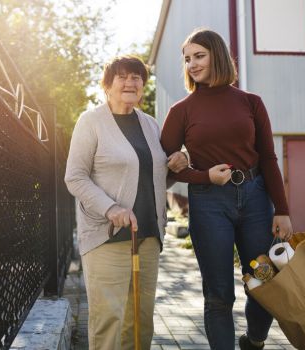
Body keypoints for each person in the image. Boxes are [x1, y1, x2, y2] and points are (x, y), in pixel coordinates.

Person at [160, 28, 293, 350]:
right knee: (218, 294)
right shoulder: (181, 110)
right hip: (209, 206)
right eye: (187, 59)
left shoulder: (251, 102)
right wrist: (202, 176)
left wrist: (283, 209)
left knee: (264, 284)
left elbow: (270, 157)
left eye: (199, 56)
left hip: (256, 200)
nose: (191, 64)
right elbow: (163, 167)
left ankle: (255, 341)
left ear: (217, 55)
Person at [65, 55, 187, 350]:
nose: (131, 82)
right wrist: (111, 208)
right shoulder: (91, 121)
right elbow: (75, 177)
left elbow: (155, 177)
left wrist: (181, 160)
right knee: (110, 321)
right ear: (107, 85)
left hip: (147, 237)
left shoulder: (150, 124)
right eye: (122, 77)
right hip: (107, 237)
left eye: (137, 77)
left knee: (141, 321)